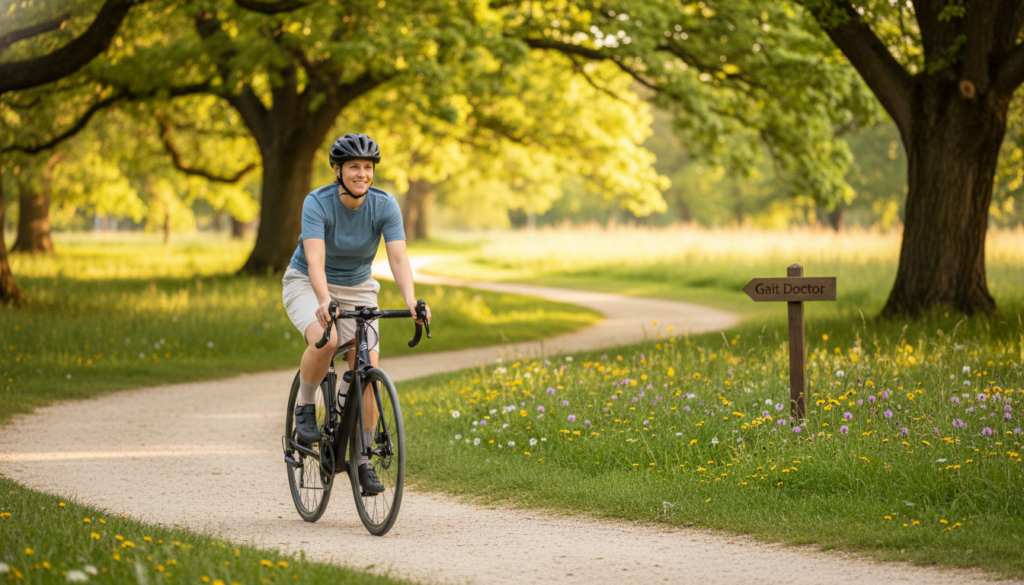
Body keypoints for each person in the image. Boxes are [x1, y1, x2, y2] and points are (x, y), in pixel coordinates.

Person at [281, 133, 430, 494]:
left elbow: (397, 257)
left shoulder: (385, 205)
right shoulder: (317, 202)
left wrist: (411, 300)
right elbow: (315, 260)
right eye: (353, 167)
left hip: (360, 286)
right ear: (337, 170)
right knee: (327, 339)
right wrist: (323, 299)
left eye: (367, 167)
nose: (361, 174)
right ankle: (304, 406)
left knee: (367, 367)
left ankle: (362, 460)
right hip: (308, 281)